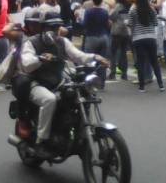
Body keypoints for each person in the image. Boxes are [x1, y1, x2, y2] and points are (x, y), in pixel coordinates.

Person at [19, 12, 109, 158]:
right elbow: (27, 64)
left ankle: (76, 132)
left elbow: (78, 56)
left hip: (58, 81)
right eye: (51, 27)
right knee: (49, 100)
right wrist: (40, 58)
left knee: (81, 92)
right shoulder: (32, 42)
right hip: (37, 83)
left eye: (57, 27)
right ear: (43, 28)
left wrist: (95, 57)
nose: (55, 31)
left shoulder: (62, 42)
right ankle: (41, 141)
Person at [128, 0, 165, 93]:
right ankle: (161, 85)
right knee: (154, 62)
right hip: (151, 37)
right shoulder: (151, 10)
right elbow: (155, 23)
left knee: (141, 63)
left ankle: (142, 87)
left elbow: (131, 24)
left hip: (138, 38)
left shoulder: (133, 10)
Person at [82, 0, 111, 87]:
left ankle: (89, 81)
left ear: (92, 0)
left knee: (89, 60)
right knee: (102, 61)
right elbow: (107, 25)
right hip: (104, 37)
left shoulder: (88, 11)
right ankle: (101, 83)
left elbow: (84, 24)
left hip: (91, 37)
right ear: (101, 0)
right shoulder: (105, 12)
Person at [109, 0, 131, 81]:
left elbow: (111, 16)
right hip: (126, 32)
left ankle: (112, 73)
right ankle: (124, 74)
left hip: (117, 32)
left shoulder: (118, 6)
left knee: (113, 53)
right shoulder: (129, 7)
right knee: (123, 53)